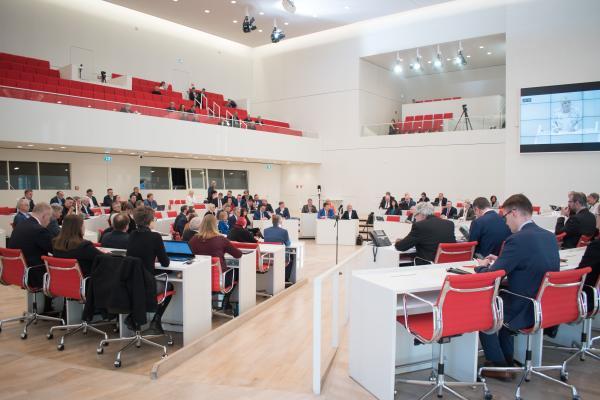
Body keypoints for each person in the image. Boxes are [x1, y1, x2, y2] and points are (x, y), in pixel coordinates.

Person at [475, 194, 559, 378]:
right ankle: (506, 360)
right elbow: (529, 262)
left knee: (483, 312)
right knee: (502, 308)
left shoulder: (518, 239)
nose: (505, 223)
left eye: (504, 217)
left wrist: (480, 267)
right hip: (543, 305)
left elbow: (492, 276)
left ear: (514, 213)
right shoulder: (548, 236)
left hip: (522, 306)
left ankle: (498, 365)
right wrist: (503, 260)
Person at [126, 206, 172, 335]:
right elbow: (165, 262)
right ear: (150, 221)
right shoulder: (155, 237)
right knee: (170, 285)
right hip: (147, 284)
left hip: (131, 282)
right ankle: (156, 321)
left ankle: (133, 316)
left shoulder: (132, 235)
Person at [189, 214, 242, 290]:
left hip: (200, 279)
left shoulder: (193, 239)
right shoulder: (221, 239)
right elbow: (238, 255)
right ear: (215, 225)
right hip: (219, 279)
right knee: (237, 271)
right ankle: (225, 300)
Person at [7, 203, 53, 288]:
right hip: (34, 272)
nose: (49, 221)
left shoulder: (20, 225)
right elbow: (56, 250)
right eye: (49, 218)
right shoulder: (39, 230)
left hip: (18, 271)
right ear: (44, 216)